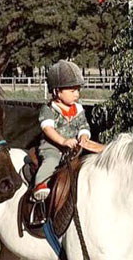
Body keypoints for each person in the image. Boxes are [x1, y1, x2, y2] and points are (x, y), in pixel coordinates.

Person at [33, 59, 103, 201]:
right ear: (57, 91)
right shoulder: (48, 109)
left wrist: (83, 136)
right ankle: (40, 184)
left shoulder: (78, 109)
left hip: (73, 148)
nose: (77, 94)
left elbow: (83, 125)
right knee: (51, 161)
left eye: (78, 90)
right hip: (52, 147)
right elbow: (48, 128)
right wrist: (63, 141)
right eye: (72, 90)